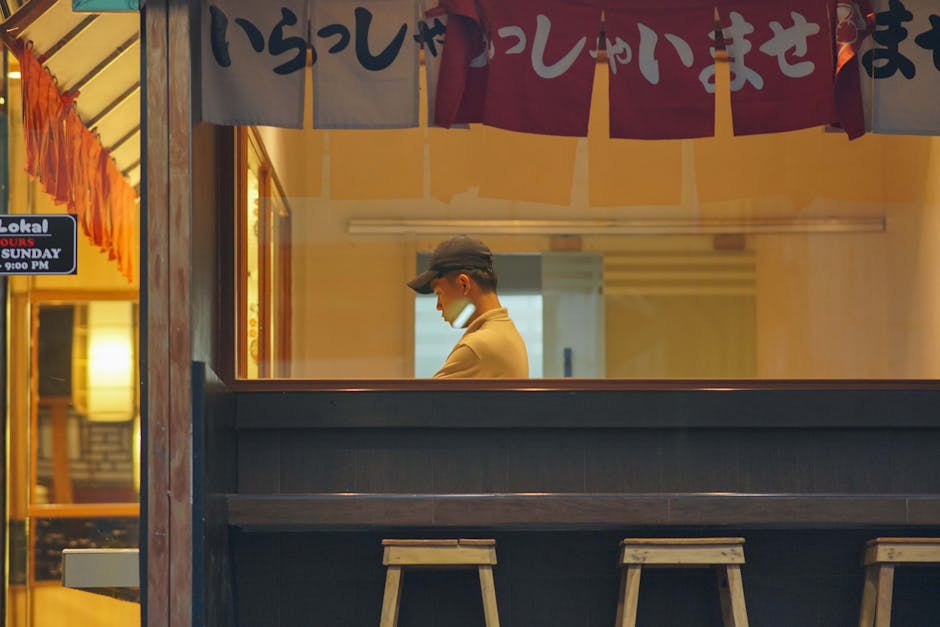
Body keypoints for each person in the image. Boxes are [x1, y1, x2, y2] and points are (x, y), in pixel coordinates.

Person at [408, 235, 529, 378]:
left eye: (439, 293)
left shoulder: (478, 347)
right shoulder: (507, 334)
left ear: (464, 284)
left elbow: (424, 394)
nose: (438, 306)